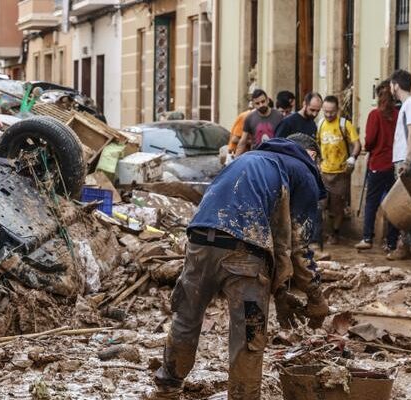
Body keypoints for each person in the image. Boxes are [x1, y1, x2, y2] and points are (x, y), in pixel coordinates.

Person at [148, 135, 329, 400]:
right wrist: (316, 296)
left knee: (186, 317)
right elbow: (298, 243)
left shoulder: (248, 159)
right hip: (245, 251)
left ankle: (167, 388)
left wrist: (280, 292)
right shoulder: (303, 171)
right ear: (312, 154)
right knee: (249, 335)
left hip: (199, 239)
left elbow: (279, 238)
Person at [387, 69, 411, 260]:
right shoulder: (407, 105)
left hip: (407, 161)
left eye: (391, 85)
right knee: (410, 203)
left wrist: (407, 160)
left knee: (404, 205)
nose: (390, 88)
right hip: (405, 159)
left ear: (396, 85)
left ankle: (404, 246)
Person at [355, 80, 399, 251]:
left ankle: (367, 238)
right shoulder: (397, 114)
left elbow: (370, 140)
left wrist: (369, 148)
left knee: (371, 202)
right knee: (393, 204)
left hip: (378, 164)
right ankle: (392, 242)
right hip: (394, 165)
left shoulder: (375, 115)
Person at [316, 95, 361, 244]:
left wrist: (353, 157)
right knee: (320, 205)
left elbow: (357, 144)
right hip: (323, 172)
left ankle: (334, 233)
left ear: (337, 110)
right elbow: (315, 145)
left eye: (332, 112)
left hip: (340, 173)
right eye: (326, 111)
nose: (329, 115)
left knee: (337, 206)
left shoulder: (344, 124)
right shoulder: (320, 124)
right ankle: (319, 234)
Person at [234, 89, 284, 157]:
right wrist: (236, 160)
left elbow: (284, 139)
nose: (261, 105)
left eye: (263, 101)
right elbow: (243, 141)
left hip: (275, 155)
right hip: (256, 157)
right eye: (257, 103)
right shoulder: (249, 118)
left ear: (268, 100)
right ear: (253, 104)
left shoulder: (279, 116)